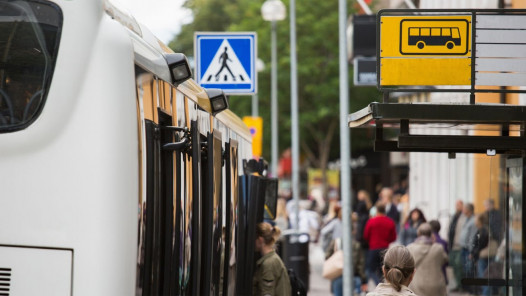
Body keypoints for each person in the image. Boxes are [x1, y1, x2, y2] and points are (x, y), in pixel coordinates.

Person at [407, 223, 448, 296]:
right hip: (436, 285)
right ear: (431, 234)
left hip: (416, 285)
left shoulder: (410, 248)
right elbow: (445, 260)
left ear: (418, 233)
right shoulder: (438, 248)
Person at [253, 222, 291, 296]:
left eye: (255, 239)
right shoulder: (272, 259)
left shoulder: (269, 263)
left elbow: (267, 293)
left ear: (260, 240)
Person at [363, 202, 397, 284]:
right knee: (383, 270)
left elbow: (366, 235)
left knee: (370, 270)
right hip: (385, 249)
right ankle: (382, 284)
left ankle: (378, 283)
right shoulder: (390, 222)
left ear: (376, 210)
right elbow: (394, 237)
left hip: (373, 249)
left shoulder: (371, 221)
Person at [449, 200, 467, 292]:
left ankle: (461, 286)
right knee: (454, 266)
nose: (457, 206)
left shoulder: (464, 217)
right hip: (452, 245)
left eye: (459, 205)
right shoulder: (454, 216)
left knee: (459, 265)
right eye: (456, 205)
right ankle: (457, 284)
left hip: (459, 245)